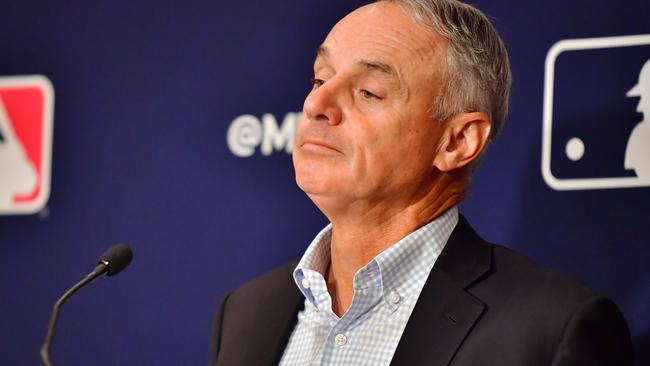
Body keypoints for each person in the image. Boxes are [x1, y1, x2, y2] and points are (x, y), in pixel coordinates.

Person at [209, 0, 633, 365]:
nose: (316, 103)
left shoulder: (551, 328)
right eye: (320, 79)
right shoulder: (246, 312)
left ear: (458, 141)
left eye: (369, 92)